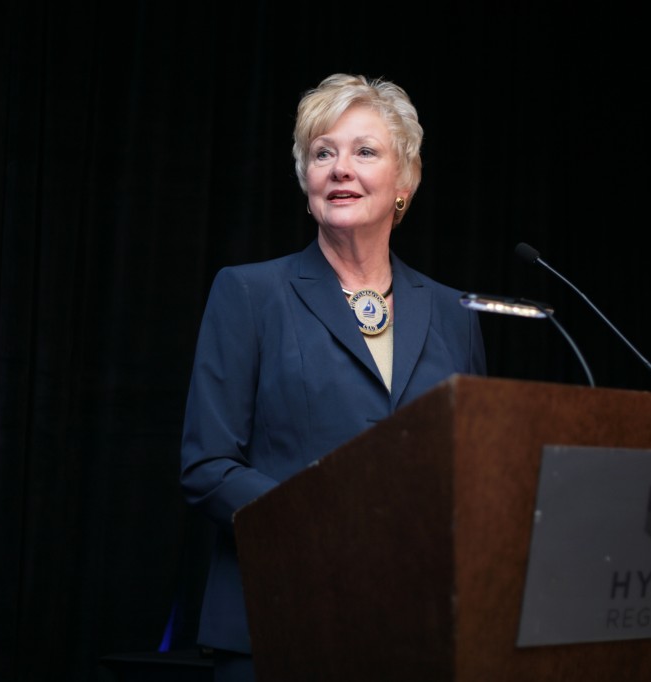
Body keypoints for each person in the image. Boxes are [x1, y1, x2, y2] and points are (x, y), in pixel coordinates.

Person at [179, 73, 487, 681]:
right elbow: (207, 468)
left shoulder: (456, 314)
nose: (340, 168)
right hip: (279, 620)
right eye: (323, 153)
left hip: (420, 630)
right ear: (306, 179)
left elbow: (474, 471)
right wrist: (329, 522)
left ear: (404, 182)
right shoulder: (249, 294)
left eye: (364, 152)